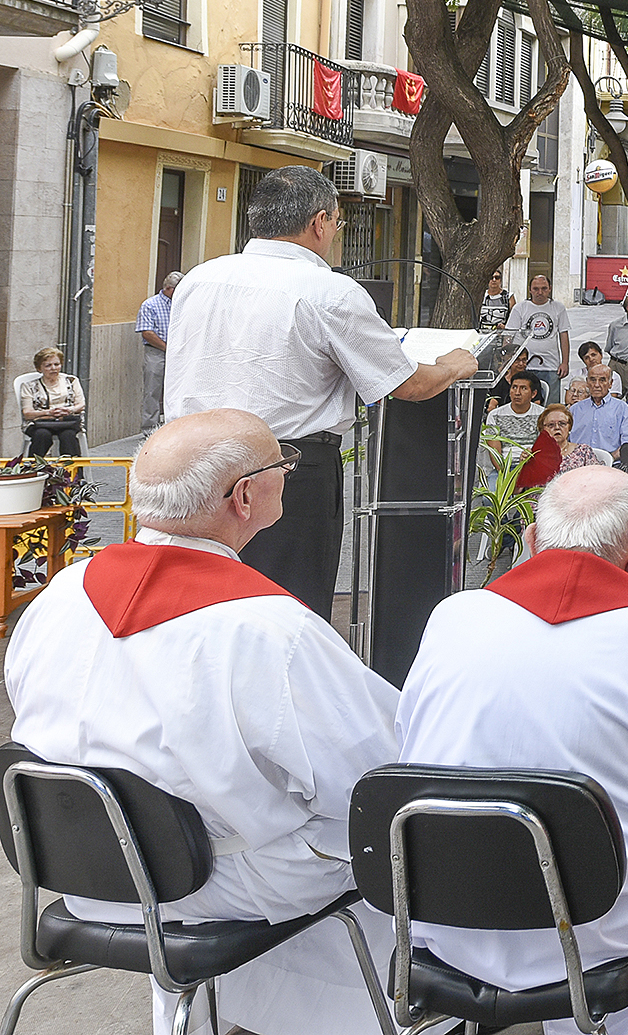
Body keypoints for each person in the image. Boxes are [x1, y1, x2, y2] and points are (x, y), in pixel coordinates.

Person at [7, 409, 399, 1035]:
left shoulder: (61, 593)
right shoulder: (267, 627)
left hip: (79, 871)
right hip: (212, 884)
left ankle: (210, 1017)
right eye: (284, 464)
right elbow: (376, 773)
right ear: (245, 497)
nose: (289, 473)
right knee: (391, 846)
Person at [398, 467, 628, 1035]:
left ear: (532, 540)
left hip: (456, 913)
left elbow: (409, 745)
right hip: (611, 924)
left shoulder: (452, 617)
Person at [166, 166, 475, 613]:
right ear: (320, 221)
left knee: (199, 600)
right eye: (336, 222)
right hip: (285, 469)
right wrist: (453, 364)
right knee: (286, 606)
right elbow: (407, 384)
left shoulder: (199, 278)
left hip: (190, 463)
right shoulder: (330, 291)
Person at [508, 272, 572, 396]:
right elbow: (509, 336)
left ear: (550, 289)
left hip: (551, 366)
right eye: (536, 289)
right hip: (524, 366)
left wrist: (565, 363)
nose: (540, 292)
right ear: (530, 290)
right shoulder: (519, 308)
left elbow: (563, 336)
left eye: (544, 288)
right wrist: (508, 364)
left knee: (550, 403)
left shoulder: (558, 307)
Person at [15, 346, 85, 457]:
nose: (53, 368)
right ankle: (36, 466)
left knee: (68, 435)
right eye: (48, 365)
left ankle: (71, 467)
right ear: (39, 368)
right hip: (40, 423)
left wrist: (68, 410)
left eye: (56, 364)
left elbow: (81, 405)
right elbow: (27, 413)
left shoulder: (71, 381)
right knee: (42, 435)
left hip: (66, 422)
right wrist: (48, 412)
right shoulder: (29, 386)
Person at [136, 271, 182, 434]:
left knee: (178, 390)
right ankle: (150, 429)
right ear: (168, 288)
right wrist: (167, 348)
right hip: (156, 352)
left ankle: (175, 425)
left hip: (179, 353)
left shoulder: (182, 304)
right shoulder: (150, 305)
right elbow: (147, 333)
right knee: (152, 390)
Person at [570, 364, 628, 463]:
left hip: (611, 464)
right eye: (593, 380)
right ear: (587, 382)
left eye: (602, 380)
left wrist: (608, 459)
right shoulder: (575, 409)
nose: (597, 385)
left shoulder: (621, 408)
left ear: (610, 383)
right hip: (578, 464)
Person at [482, 372, 545, 474]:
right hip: (505, 467)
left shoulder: (543, 414)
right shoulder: (495, 415)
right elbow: (495, 453)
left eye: (523, 388)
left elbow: (544, 448)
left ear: (533, 394)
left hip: (533, 465)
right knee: (493, 484)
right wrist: (505, 475)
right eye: (514, 387)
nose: (517, 393)